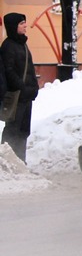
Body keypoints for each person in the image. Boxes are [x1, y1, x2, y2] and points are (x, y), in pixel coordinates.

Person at [1, 12, 39, 162]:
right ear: (13, 26)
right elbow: (9, 72)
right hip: (16, 96)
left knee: (23, 131)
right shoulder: (8, 46)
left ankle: (20, 162)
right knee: (12, 129)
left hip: (26, 96)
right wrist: (23, 88)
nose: (25, 26)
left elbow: (29, 69)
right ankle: (6, 161)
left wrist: (33, 87)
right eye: (21, 23)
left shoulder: (22, 44)